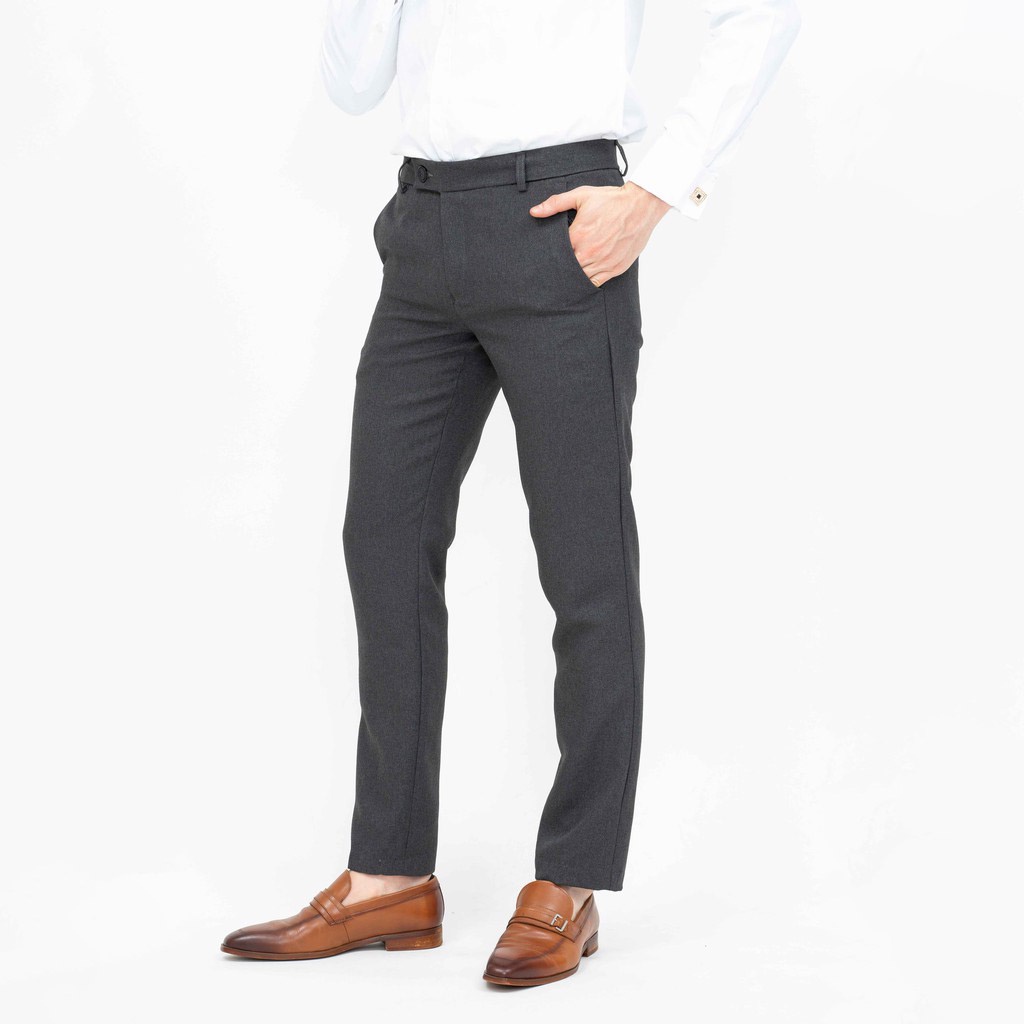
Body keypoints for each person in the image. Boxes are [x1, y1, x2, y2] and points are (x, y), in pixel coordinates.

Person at [221, 0, 801, 987]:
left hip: (559, 220)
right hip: (423, 224)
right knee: (383, 543)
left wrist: (655, 188)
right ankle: (390, 875)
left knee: (584, 562)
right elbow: (353, 83)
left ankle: (570, 878)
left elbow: (760, 13)